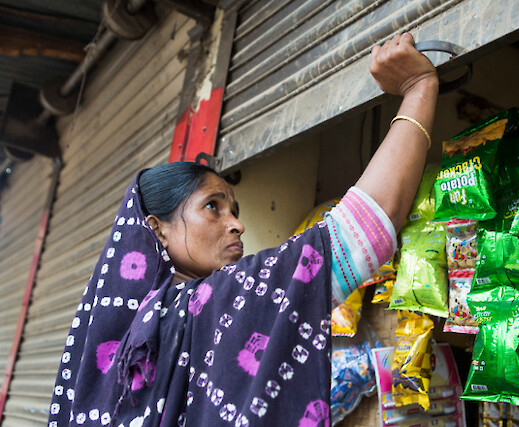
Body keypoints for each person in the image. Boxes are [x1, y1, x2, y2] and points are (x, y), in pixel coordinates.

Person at [48, 33, 438, 427]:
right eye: (212, 207)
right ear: (158, 231)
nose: (237, 223)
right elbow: (363, 231)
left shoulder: (110, 351)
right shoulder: (203, 309)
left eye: (233, 208)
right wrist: (417, 90)